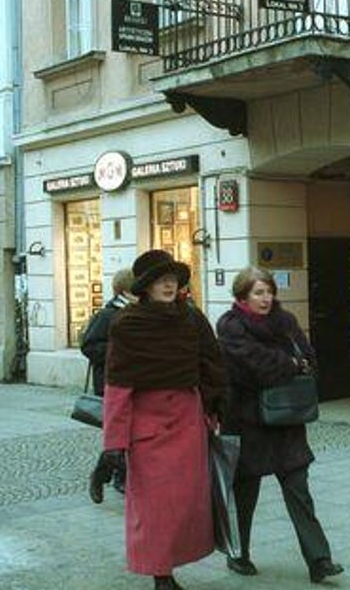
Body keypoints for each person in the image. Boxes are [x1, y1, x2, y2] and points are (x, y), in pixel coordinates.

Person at [100, 250, 228, 590]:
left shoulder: (191, 319)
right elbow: (118, 387)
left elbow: (211, 363)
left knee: (185, 505)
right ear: (146, 286)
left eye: (173, 279)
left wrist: (212, 411)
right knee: (154, 508)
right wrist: (113, 444)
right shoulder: (128, 324)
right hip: (149, 427)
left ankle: (171, 564)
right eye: (161, 279)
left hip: (188, 420)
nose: (169, 284)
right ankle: (161, 574)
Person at [216, 266, 343, 584]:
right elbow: (251, 368)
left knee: (300, 492)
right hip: (246, 423)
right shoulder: (231, 327)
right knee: (244, 496)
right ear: (242, 296)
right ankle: (238, 553)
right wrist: (288, 364)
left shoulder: (285, 323)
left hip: (286, 421)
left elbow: (310, 359)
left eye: (269, 291)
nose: (266, 298)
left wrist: (289, 364)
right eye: (258, 292)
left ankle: (319, 560)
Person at [83, 268, 136, 498]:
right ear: (126, 290)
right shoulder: (107, 315)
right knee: (120, 431)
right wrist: (119, 352)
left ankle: (117, 475)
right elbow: (89, 346)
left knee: (131, 431)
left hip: (135, 382)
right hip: (110, 384)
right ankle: (108, 474)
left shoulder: (139, 312)